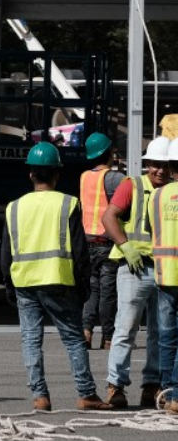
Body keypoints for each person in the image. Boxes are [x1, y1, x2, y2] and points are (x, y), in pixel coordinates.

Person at [1, 143, 112, 411]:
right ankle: (86, 394)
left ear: (31, 174)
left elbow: (6, 252)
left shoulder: (14, 207)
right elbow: (80, 250)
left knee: (31, 340)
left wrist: (8, 284)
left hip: (25, 282)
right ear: (57, 175)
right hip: (59, 280)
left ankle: (40, 396)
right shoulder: (67, 204)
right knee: (73, 339)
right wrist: (84, 285)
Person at [100, 136, 170, 409]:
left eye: (165, 165)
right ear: (147, 164)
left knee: (159, 332)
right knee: (126, 328)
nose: (160, 170)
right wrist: (125, 246)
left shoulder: (173, 190)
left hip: (165, 270)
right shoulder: (133, 185)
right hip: (135, 268)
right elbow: (109, 216)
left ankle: (151, 386)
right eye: (155, 165)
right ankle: (116, 385)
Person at [80, 132, 124, 350]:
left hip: (87, 242)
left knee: (92, 289)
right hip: (107, 244)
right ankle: (108, 338)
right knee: (108, 291)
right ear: (109, 153)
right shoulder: (116, 178)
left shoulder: (84, 177)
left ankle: (86, 331)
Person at [145, 140, 178, 415]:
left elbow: (151, 229)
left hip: (164, 274)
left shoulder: (156, 196)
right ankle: (176, 396)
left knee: (166, 338)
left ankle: (166, 393)